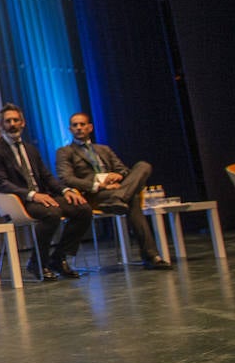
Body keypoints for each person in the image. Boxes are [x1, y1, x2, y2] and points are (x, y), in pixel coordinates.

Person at [0, 103, 93, 281]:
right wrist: (32, 195)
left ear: (23, 123)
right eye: (8, 121)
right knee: (52, 213)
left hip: (43, 197)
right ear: (1, 125)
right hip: (21, 201)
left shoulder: (30, 149)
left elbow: (47, 176)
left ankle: (58, 258)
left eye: (16, 120)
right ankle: (38, 262)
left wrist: (66, 190)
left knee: (83, 209)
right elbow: (0, 183)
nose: (12, 124)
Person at [55, 112, 172, 270]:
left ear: (90, 127)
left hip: (116, 191)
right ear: (70, 129)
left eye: (82, 124)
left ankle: (120, 197)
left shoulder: (104, 149)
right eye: (75, 125)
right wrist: (98, 184)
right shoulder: (65, 152)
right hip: (93, 195)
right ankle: (151, 256)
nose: (79, 128)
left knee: (143, 166)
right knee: (134, 198)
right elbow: (66, 178)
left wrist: (117, 176)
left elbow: (124, 170)